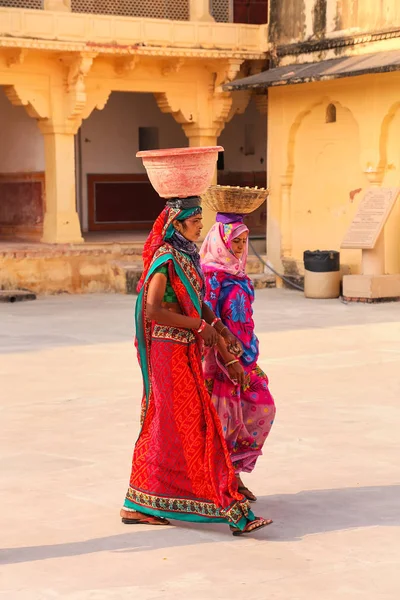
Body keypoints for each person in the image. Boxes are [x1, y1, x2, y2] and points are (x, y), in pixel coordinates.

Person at [120, 197, 272, 536]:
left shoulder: (186, 256)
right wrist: (200, 328)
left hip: (185, 348)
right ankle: (226, 505)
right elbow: (153, 309)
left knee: (174, 424)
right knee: (191, 424)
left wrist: (216, 328)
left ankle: (142, 499)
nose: (200, 225)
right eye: (194, 220)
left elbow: (198, 300)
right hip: (167, 351)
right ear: (177, 224)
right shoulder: (165, 259)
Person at [200, 212, 276, 502]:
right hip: (220, 362)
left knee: (260, 408)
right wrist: (228, 360)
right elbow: (209, 319)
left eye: (244, 241)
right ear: (221, 241)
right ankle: (224, 482)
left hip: (244, 357)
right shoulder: (212, 276)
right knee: (224, 423)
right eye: (235, 242)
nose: (241, 247)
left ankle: (232, 473)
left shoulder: (239, 275)